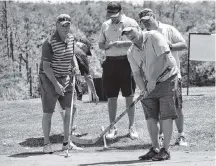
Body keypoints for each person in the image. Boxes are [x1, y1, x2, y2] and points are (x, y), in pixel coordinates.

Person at [122, 26, 178, 161]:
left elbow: (163, 58)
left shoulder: (154, 36)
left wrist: (152, 80)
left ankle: (166, 150)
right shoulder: (131, 51)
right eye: (126, 34)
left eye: (131, 31)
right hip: (149, 84)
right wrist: (143, 89)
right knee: (150, 116)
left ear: (137, 28)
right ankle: (155, 148)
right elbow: (136, 73)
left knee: (166, 115)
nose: (129, 35)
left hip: (167, 78)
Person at [138, 8, 188, 146]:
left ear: (154, 17)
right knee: (158, 108)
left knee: (177, 106)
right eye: (143, 22)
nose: (146, 24)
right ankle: (160, 137)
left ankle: (181, 135)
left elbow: (184, 44)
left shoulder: (168, 29)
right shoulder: (144, 35)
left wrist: (169, 46)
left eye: (148, 20)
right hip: (154, 79)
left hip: (172, 75)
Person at [39, 14, 83, 153]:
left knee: (70, 110)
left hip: (66, 77)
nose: (65, 27)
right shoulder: (49, 42)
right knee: (48, 112)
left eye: (67, 25)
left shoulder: (70, 38)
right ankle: (47, 144)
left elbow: (71, 56)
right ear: (57, 25)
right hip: (49, 79)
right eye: (62, 25)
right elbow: (46, 67)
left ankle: (66, 142)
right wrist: (56, 85)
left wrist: (75, 66)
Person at [98, 1, 139, 140]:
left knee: (129, 96)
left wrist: (117, 43)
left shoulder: (130, 23)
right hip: (110, 63)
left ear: (121, 11)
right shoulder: (105, 25)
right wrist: (106, 45)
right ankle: (112, 126)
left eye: (114, 15)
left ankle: (132, 126)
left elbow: (137, 40)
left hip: (126, 62)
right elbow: (100, 44)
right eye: (110, 14)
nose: (112, 17)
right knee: (111, 98)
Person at [57, 38, 99, 136]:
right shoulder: (81, 54)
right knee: (72, 106)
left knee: (63, 106)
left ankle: (68, 129)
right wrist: (95, 94)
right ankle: (68, 132)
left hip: (54, 80)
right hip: (67, 81)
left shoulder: (66, 47)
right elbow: (88, 77)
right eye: (87, 50)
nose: (86, 53)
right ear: (84, 46)